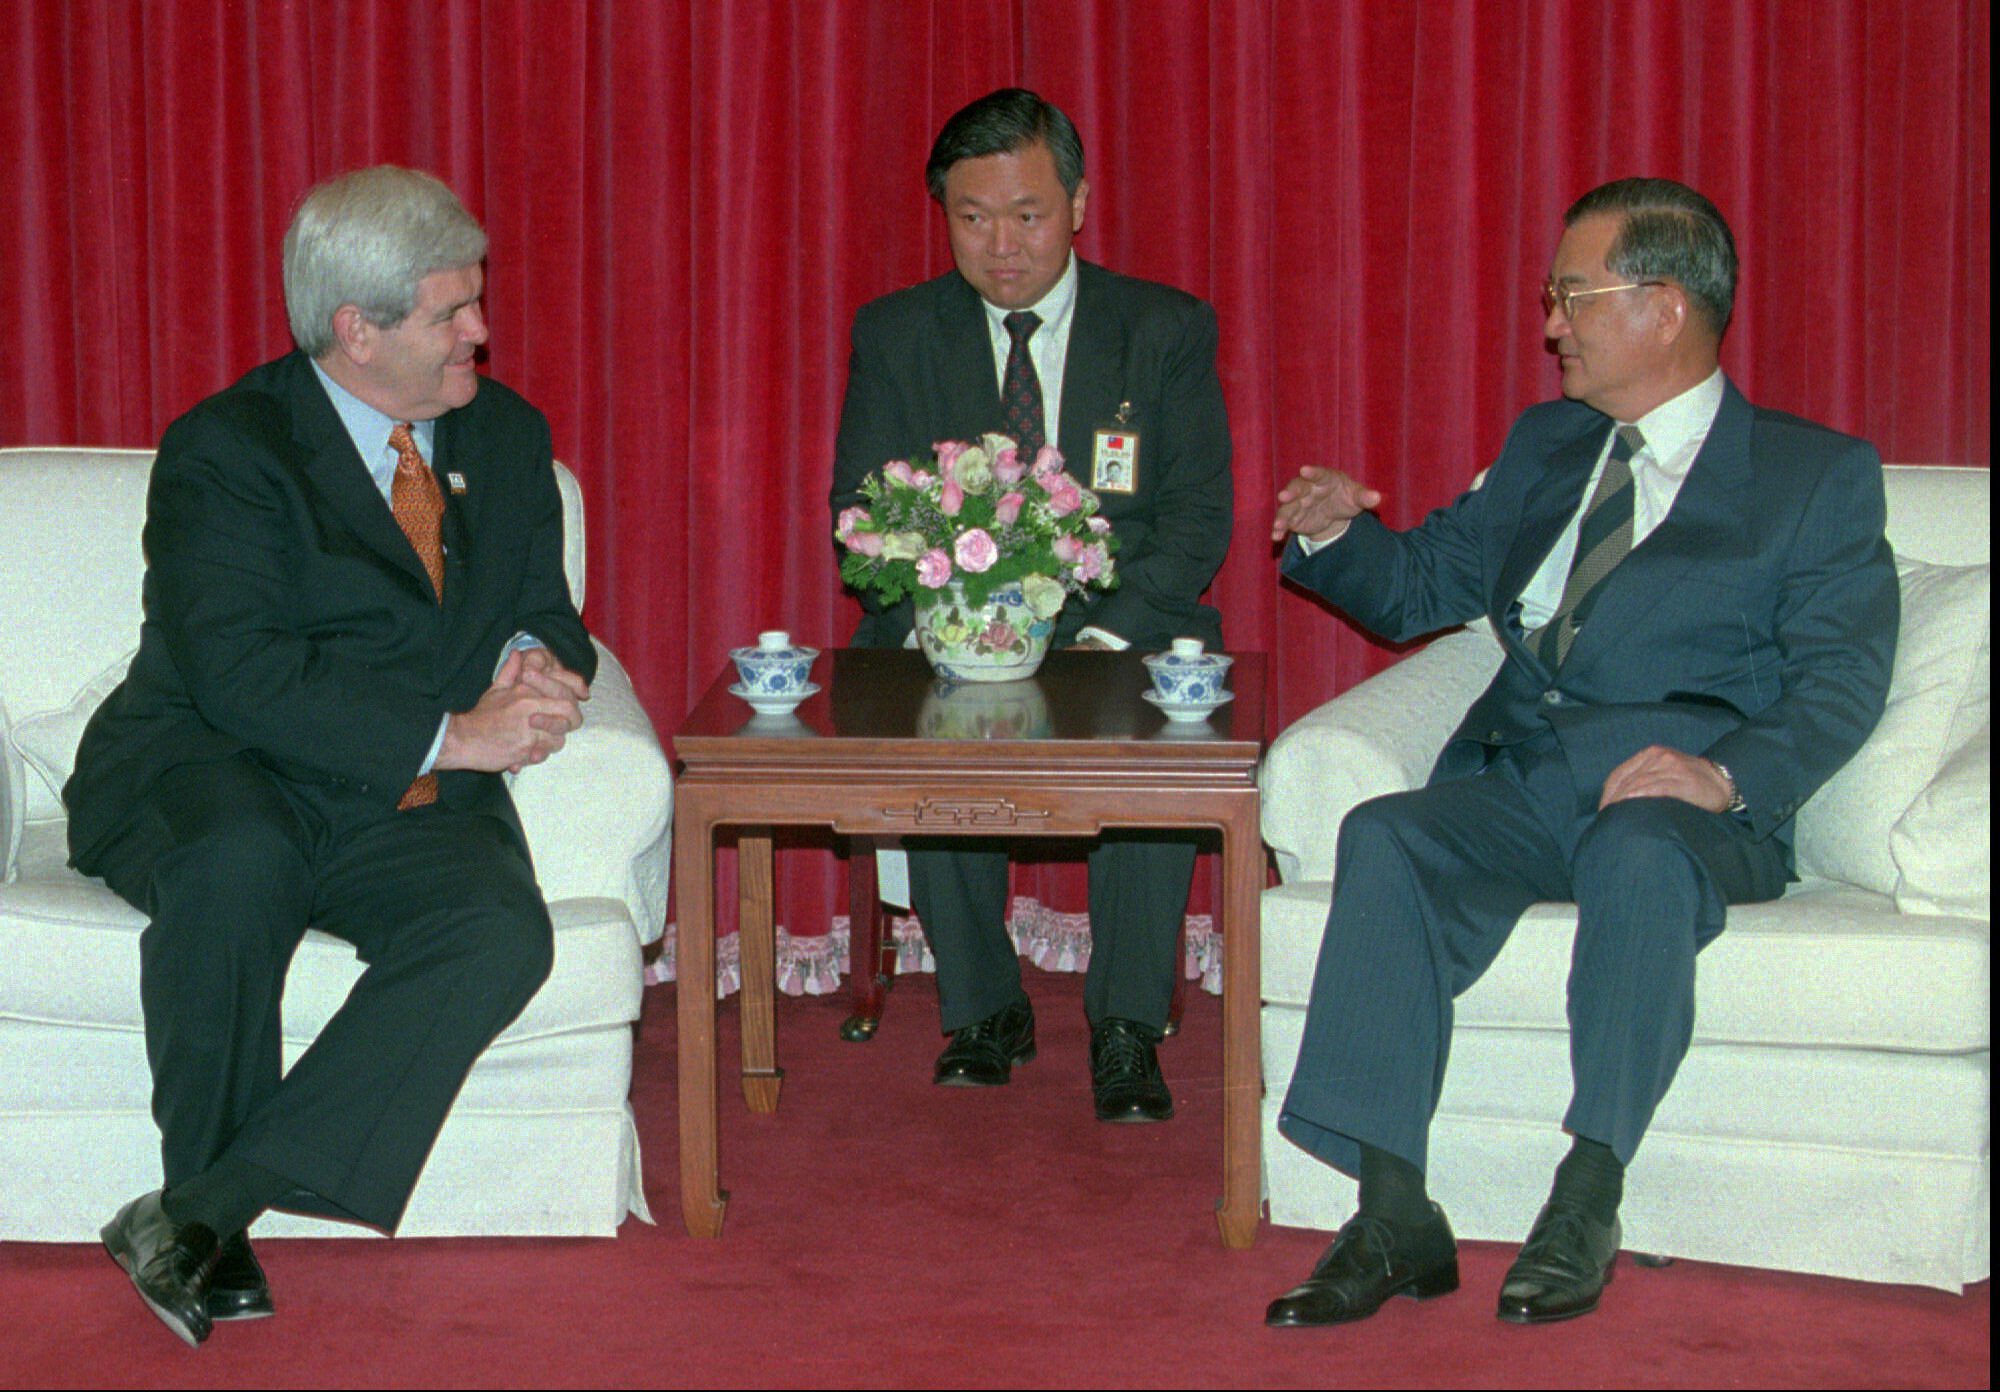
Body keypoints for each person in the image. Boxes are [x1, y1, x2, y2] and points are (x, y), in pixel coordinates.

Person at [1263, 178, 1896, 1327]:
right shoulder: (1549, 444)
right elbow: (1425, 584)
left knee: (1638, 849)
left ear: (1661, 306)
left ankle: (1587, 1189)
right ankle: (1393, 1209)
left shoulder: (1813, 477)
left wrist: (1725, 773)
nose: (1550, 322)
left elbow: (1843, 675)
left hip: (1683, 807)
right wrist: (1331, 534)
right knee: (1386, 836)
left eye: (1571, 295)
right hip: (1524, 782)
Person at [67, 165, 596, 1347]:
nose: (483, 331)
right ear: (355, 331)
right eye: (452, 311)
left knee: (499, 930)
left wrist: (528, 659)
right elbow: (236, 672)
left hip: (400, 794)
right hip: (213, 757)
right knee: (235, 868)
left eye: (476, 301)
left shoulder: (504, 435)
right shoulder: (227, 448)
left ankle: (199, 1210)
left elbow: (544, 608)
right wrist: (454, 734)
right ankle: (217, 1219)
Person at [830, 89, 1233, 1123]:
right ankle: (982, 1011)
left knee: (1159, 723)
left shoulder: (1163, 328)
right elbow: (861, 515)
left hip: (1122, 620)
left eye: (1026, 214)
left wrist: (1094, 634)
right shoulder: (895, 332)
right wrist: (961, 624)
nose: (1000, 245)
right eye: (971, 217)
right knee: (931, 712)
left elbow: (1195, 521)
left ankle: (1126, 1025)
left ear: (1079, 204)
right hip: (952, 624)